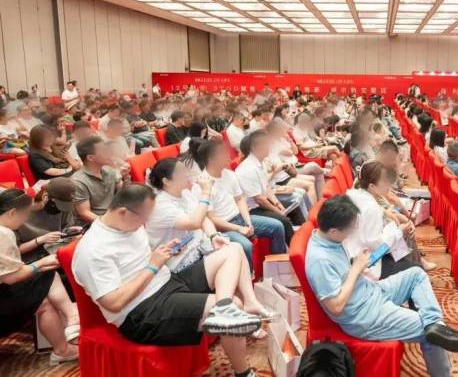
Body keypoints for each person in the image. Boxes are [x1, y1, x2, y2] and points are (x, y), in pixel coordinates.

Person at [72, 185, 265, 377]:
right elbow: (113, 303)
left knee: (233, 250)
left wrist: (165, 252)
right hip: (142, 312)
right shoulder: (93, 250)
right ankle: (244, 372)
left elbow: (139, 261)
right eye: (144, 217)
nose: (146, 222)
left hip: (167, 283)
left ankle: (225, 308)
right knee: (235, 306)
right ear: (123, 211)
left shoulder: (128, 225)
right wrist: (152, 266)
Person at [306, 196, 458, 377]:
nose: (354, 232)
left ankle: (434, 323)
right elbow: (335, 307)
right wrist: (355, 269)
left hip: (370, 292)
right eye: (351, 229)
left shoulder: (329, 238)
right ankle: (434, 333)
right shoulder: (319, 260)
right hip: (364, 315)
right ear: (334, 231)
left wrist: (357, 264)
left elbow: (343, 275)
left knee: (416, 275)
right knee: (429, 333)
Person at [0, 189, 81, 365]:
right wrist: (40, 264)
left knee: (44, 296)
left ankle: (64, 342)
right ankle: (71, 322)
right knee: (46, 278)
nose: (24, 220)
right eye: (24, 215)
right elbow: (10, 278)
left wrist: (40, 265)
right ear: (12, 212)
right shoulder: (4, 233)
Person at [198, 140, 287, 258]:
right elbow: (212, 219)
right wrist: (239, 228)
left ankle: (278, 263)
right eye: (222, 153)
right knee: (246, 246)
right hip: (223, 227)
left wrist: (247, 221)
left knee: (277, 226)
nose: (228, 155)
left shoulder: (229, 174)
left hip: (240, 218)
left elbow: (239, 200)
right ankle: (251, 271)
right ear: (211, 159)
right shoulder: (203, 183)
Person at [235, 131, 304, 246]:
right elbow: (259, 199)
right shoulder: (248, 169)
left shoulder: (260, 162)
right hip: (252, 209)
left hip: (261, 204)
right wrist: (278, 211)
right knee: (283, 221)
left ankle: (301, 240)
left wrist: (278, 204)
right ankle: (290, 251)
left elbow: (266, 188)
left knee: (293, 207)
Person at [72, 136, 124, 224]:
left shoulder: (109, 170)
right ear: (90, 158)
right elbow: (85, 213)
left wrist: (126, 177)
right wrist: (110, 223)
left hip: (112, 214)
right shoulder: (78, 181)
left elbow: (123, 192)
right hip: (95, 223)